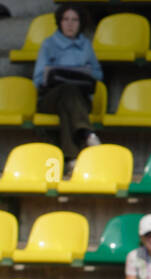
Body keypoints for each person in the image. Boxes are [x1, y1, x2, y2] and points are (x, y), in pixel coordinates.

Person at [33, 4, 103, 166]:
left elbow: (98, 74)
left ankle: (72, 159)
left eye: (74, 20)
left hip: (77, 99)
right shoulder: (48, 45)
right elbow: (37, 79)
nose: (70, 24)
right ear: (60, 22)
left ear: (80, 23)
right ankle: (87, 134)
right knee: (66, 91)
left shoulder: (86, 46)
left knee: (67, 106)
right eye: (66, 19)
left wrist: (82, 73)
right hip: (51, 98)